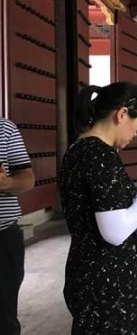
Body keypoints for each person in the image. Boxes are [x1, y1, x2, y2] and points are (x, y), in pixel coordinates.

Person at [58, 82, 137, 334]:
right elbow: (114, 232)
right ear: (122, 114)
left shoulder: (77, 150)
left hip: (87, 273)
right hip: (108, 284)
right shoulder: (100, 156)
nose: (135, 133)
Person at [0, 118, 35, 335]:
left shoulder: (4, 129)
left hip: (2, 237)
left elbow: (27, 179)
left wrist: (6, 183)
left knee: (4, 318)